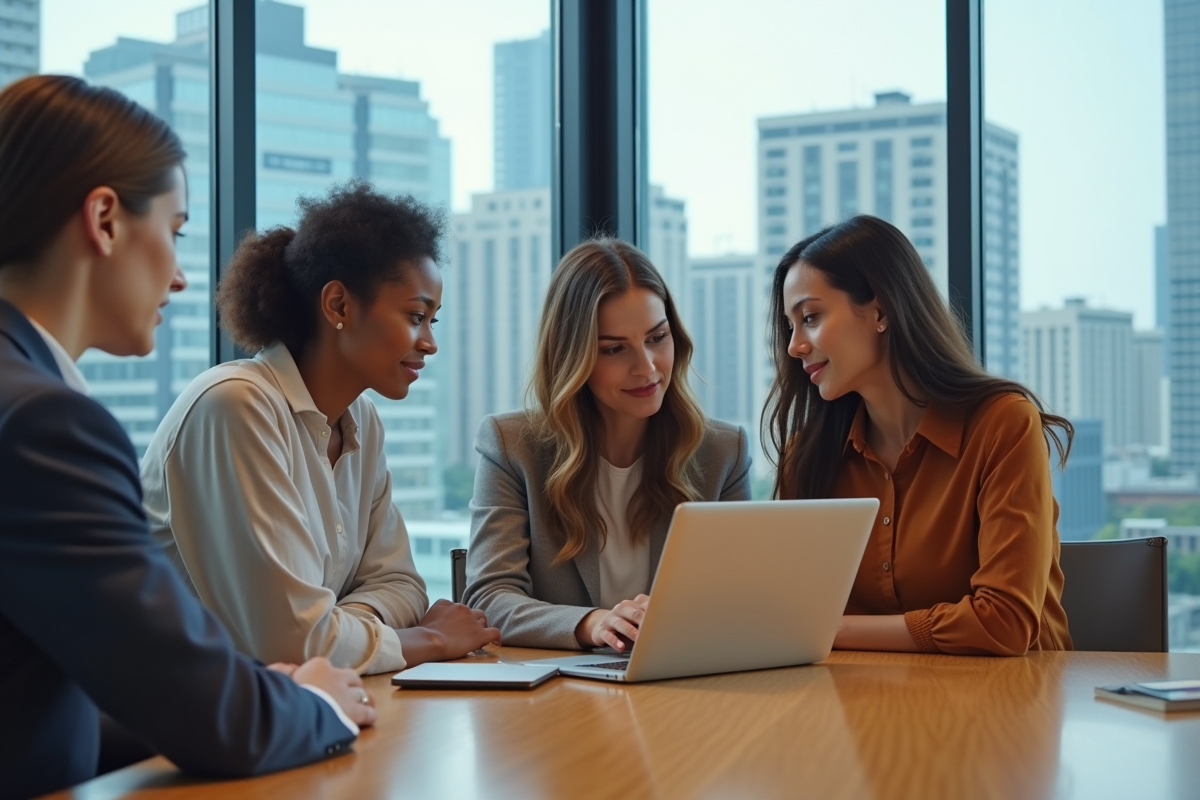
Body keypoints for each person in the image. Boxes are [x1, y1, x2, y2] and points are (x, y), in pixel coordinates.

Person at [0, 75, 374, 800]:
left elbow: (33, 703)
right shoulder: (47, 426)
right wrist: (316, 704)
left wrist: (245, 694)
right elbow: (221, 727)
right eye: (173, 234)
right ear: (104, 219)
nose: (178, 279)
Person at [141, 181, 499, 677]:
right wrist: (430, 638)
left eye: (433, 320)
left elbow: (402, 585)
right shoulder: (235, 407)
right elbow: (292, 644)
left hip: (286, 708)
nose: (430, 343)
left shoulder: (363, 421)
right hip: (170, 728)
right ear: (338, 306)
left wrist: (339, 629)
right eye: (416, 316)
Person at [764, 215, 1072, 656]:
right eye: (790, 327)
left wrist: (828, 629)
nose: (794, 345)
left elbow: (1004, 623)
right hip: (863, 707)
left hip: (1010, 706)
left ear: (881, 310)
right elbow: (786, 611)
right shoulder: (809, 456)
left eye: (810, 317)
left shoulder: (1003, 425)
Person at [464, 237, 752, 651]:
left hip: (680, 688)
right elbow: (490, 599)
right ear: (572, 356)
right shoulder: (511, 446)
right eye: (615, 349)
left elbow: (739, 597)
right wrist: (592, 624)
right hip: (556, 701)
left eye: (657, 338)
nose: (647, 368)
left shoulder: (723, 452)